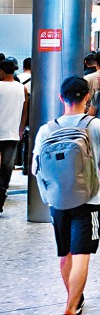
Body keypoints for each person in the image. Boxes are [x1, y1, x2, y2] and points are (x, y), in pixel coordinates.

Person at [34, 77, 100, 315]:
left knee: (65, 255)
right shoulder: (98, 125)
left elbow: (36, 168)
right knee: (82, 255)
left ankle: (75, 300)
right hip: (88, 200)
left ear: (61, 98)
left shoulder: (46, 130)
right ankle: (69, 313)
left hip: (58, 201)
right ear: (87, 97)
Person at [0, 57, 28, 212]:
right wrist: (21, 129)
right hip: (12, 132)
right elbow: (24, 112)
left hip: (3, 131)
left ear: (1, 71)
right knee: (7, 166)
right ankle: (3, 191)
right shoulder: (22, 88)